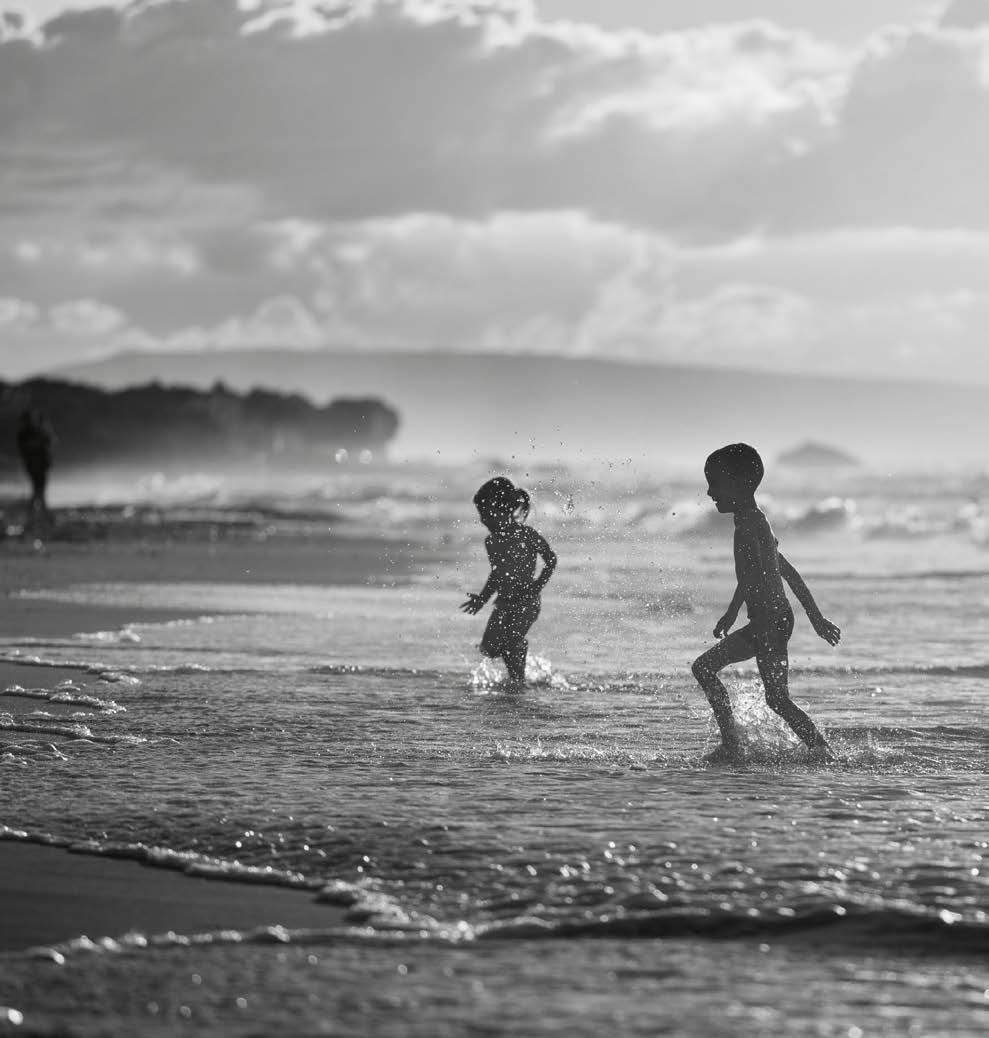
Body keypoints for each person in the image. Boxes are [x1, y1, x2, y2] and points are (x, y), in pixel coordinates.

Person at [691, 443, 841, 762]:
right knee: (776, 699)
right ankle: (819, 749)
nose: (709, 492)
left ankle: (735, 745)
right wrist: (815, 619)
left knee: (705, 668)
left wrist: (730, 615)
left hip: (768, 624)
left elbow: (752, 577)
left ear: (739, 484)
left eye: (715, 483)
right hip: (776, 620)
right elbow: (786, 570)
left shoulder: (748, 526)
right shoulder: (759, 521)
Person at [460, 477, 557, 686]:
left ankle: (517, 681)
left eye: (486, 513)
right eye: (480, 514)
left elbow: (551, 559)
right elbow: (497, 574)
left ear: (504, 509)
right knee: (489, 648)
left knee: (511, 642)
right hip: (504, 601)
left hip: (526, 601)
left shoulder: (527, 535)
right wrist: (483, 599)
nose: (482, 519)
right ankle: (518, 674)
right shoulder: (492, 542)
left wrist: (536, 586)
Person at [16, 408, 54, 521]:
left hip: (41, 464)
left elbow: (50, 443)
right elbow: (24, 449)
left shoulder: (40, 431)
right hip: (33, 464)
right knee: (38, 487)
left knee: (40, 487)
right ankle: (38, 509)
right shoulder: (25, 434)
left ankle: (36, 509)